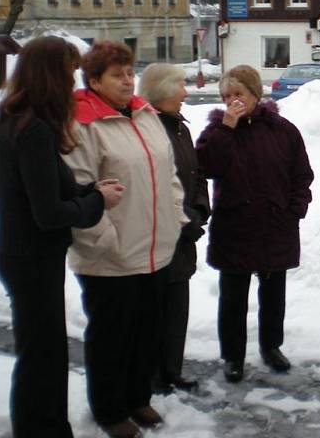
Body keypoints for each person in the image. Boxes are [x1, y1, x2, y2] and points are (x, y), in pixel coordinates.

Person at [0, 37, 123, 438]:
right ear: (51, 75)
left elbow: (55, 188)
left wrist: (88, 190)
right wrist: (97, 202)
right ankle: (42, 429)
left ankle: (43, 426)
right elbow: (49, 214)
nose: (73, 81)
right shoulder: (33, 132)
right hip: (30, 258)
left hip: (26, 256)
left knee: (42, 351)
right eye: (68, 72)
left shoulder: (22, 121)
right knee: (41, 355)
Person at [63, 41, 188, 438]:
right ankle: (109, 408)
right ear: (94, 80)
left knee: (147, 330)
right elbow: (77, 188)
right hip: (110, 256)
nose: (127, 80)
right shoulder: (83, 123)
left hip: (155, 247)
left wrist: (174, 215)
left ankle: (137, 397)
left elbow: (168, 174)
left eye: (129, 72)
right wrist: (104, 241)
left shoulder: (144, 113)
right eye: (116, 75)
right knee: (111, 337)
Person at [196, 65, 313, 382]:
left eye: (239, 93)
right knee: (233, 297)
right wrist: (226, 128)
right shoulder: (216, 132)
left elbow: (302, 174)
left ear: (254, 94)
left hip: (276, 225)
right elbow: (206, 166)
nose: (233, 100)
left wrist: (295, 209)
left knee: (273, 294)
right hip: (235, 227)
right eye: (227, 95)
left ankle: (271, 347)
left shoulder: (282, 130)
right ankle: (233, 356)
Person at [138, 63, 210, 393]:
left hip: (184, 234)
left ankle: (172, 370)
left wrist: (198, 210)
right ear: (161, 91)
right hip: (158, 237)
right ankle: (152, 377)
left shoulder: (181, 127)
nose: (186, 92)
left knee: (178, 306)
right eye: (180, 85)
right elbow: (151, 187)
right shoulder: (146, 129)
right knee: (154, 311)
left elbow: (195, 174)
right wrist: (183, 221)